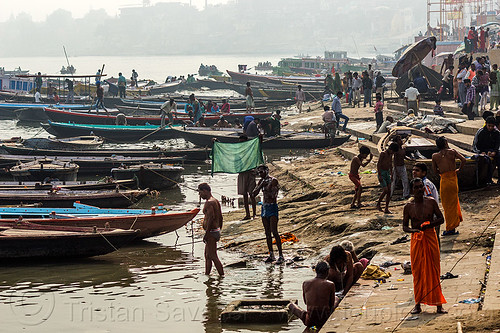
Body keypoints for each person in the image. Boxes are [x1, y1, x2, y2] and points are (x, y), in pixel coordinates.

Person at [403, 178, 446, 314]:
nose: (419, 189)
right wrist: (414, 231)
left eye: (421, 187)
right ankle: (417, 305)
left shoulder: (431, 202)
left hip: (430, 237)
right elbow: (405, 227)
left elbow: (441, 218)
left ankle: (439, 305)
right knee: (418, 272)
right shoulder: (408, 207)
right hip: (417, 239)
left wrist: (430, 224)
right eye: (416, 187)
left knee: (434, 270)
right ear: (411, 190)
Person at [288, 261, 337, 329]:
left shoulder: (306, 283)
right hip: (325, 320)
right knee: (337, 298)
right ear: (327, 271)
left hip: (310, 321)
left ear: (316, 271)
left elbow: (305, 302)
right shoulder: (330, 284)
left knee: (291, 305)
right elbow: (331, 305)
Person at [432, 136, 465, 236]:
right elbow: (463, 160)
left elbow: (434, 171)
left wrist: (442, 173)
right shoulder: (452, 152)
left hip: (444, 180)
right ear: (446, 143)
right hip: (453, 179)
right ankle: (452, 226)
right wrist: (459, 170)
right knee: (453, 203)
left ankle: (450, 228)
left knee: (447, 205)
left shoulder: (435, 156)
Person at [252, 165, 283, 264]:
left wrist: (266, 186)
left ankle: (281, 255)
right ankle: (271, 254)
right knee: (267, 233)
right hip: (264, 207)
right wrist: (260, 185)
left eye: (262, 172)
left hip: (272, 207)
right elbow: (253, 194)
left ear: (267, 171)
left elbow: (273, 195)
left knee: (274, 231)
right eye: (259, 173)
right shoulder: (261, 181)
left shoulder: (273, 181)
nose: (260, 174)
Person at [198, 183, 224, 276]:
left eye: (200, 192)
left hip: (211, 232)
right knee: (207, 256)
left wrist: (207, 234)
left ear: (205, 191)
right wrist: (219, 229)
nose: (199, 195)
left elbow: (211, 218)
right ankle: (207, 276)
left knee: (213, 256)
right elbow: (220, 217)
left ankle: (222, 276)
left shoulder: (209, 202)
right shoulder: (215, 200)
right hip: (215, 231)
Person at [412, 162, 441, 244]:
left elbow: (429, 199)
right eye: (413, 170)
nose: (414, 172)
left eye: (417, 170)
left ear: (424, 173)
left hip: (431, 216)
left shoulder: (425, 184)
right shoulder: (421, 183)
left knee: (432, 240)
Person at [472, 116, 500, 185]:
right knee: (486, 161)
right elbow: (474, 145)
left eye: (492, 126)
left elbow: (498, 144)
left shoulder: (497, 133)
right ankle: (487, 180)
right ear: (486, 124)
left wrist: (495, 152)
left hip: (493, 151)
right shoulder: (480, 131)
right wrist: (481, 152)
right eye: (489, 126)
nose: (490, 128)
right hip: (482, 152)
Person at [237, 134, 257, 220]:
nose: (241, 143)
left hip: (250, 173)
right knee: (244, 195)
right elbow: (228, 152)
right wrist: (217, 142)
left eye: (243, 142)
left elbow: (258, 146)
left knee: (252, 194)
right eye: (240, 142)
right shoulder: (237, 151)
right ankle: (247, 214)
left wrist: (260, 138)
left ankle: (254, 214)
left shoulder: (250, 149)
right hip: (242, 174)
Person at [377, 142, 399, 214]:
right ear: (390, 149)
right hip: (382, 173)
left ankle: (386, 208)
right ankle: (378, 203)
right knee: (385, 190)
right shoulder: (383, 154)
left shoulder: (390, 155)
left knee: (389, 191)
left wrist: (392, 174)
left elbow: (390, 164)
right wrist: (379, 175)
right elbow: (379, 164)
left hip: (387, 173)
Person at [391, 135, 410, 200]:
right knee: (393, 182)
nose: (401, 141)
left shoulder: (403, 149)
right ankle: (390, 194)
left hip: (402, 166)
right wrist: (396, 169)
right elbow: (395, 160)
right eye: (399, 140)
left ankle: (406, 194)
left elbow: (404, 157)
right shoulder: (396, 151)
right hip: (397, 167)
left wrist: (410, 159)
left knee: (405, 181)